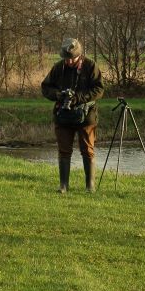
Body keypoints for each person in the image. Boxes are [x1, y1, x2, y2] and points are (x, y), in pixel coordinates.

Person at [41, 38, 104, 193]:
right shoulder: (58, 67)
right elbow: (45, 87)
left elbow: (99, 90)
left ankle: (90, 187)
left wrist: (78, 97)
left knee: (87, 150)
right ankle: (63, 186)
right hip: (63, 116)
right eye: (66, 58)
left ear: (79, 55)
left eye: (72, 58)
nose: (69, 61)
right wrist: (58, 95)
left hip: (86, 116)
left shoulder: (90, 66)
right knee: (64, 151)